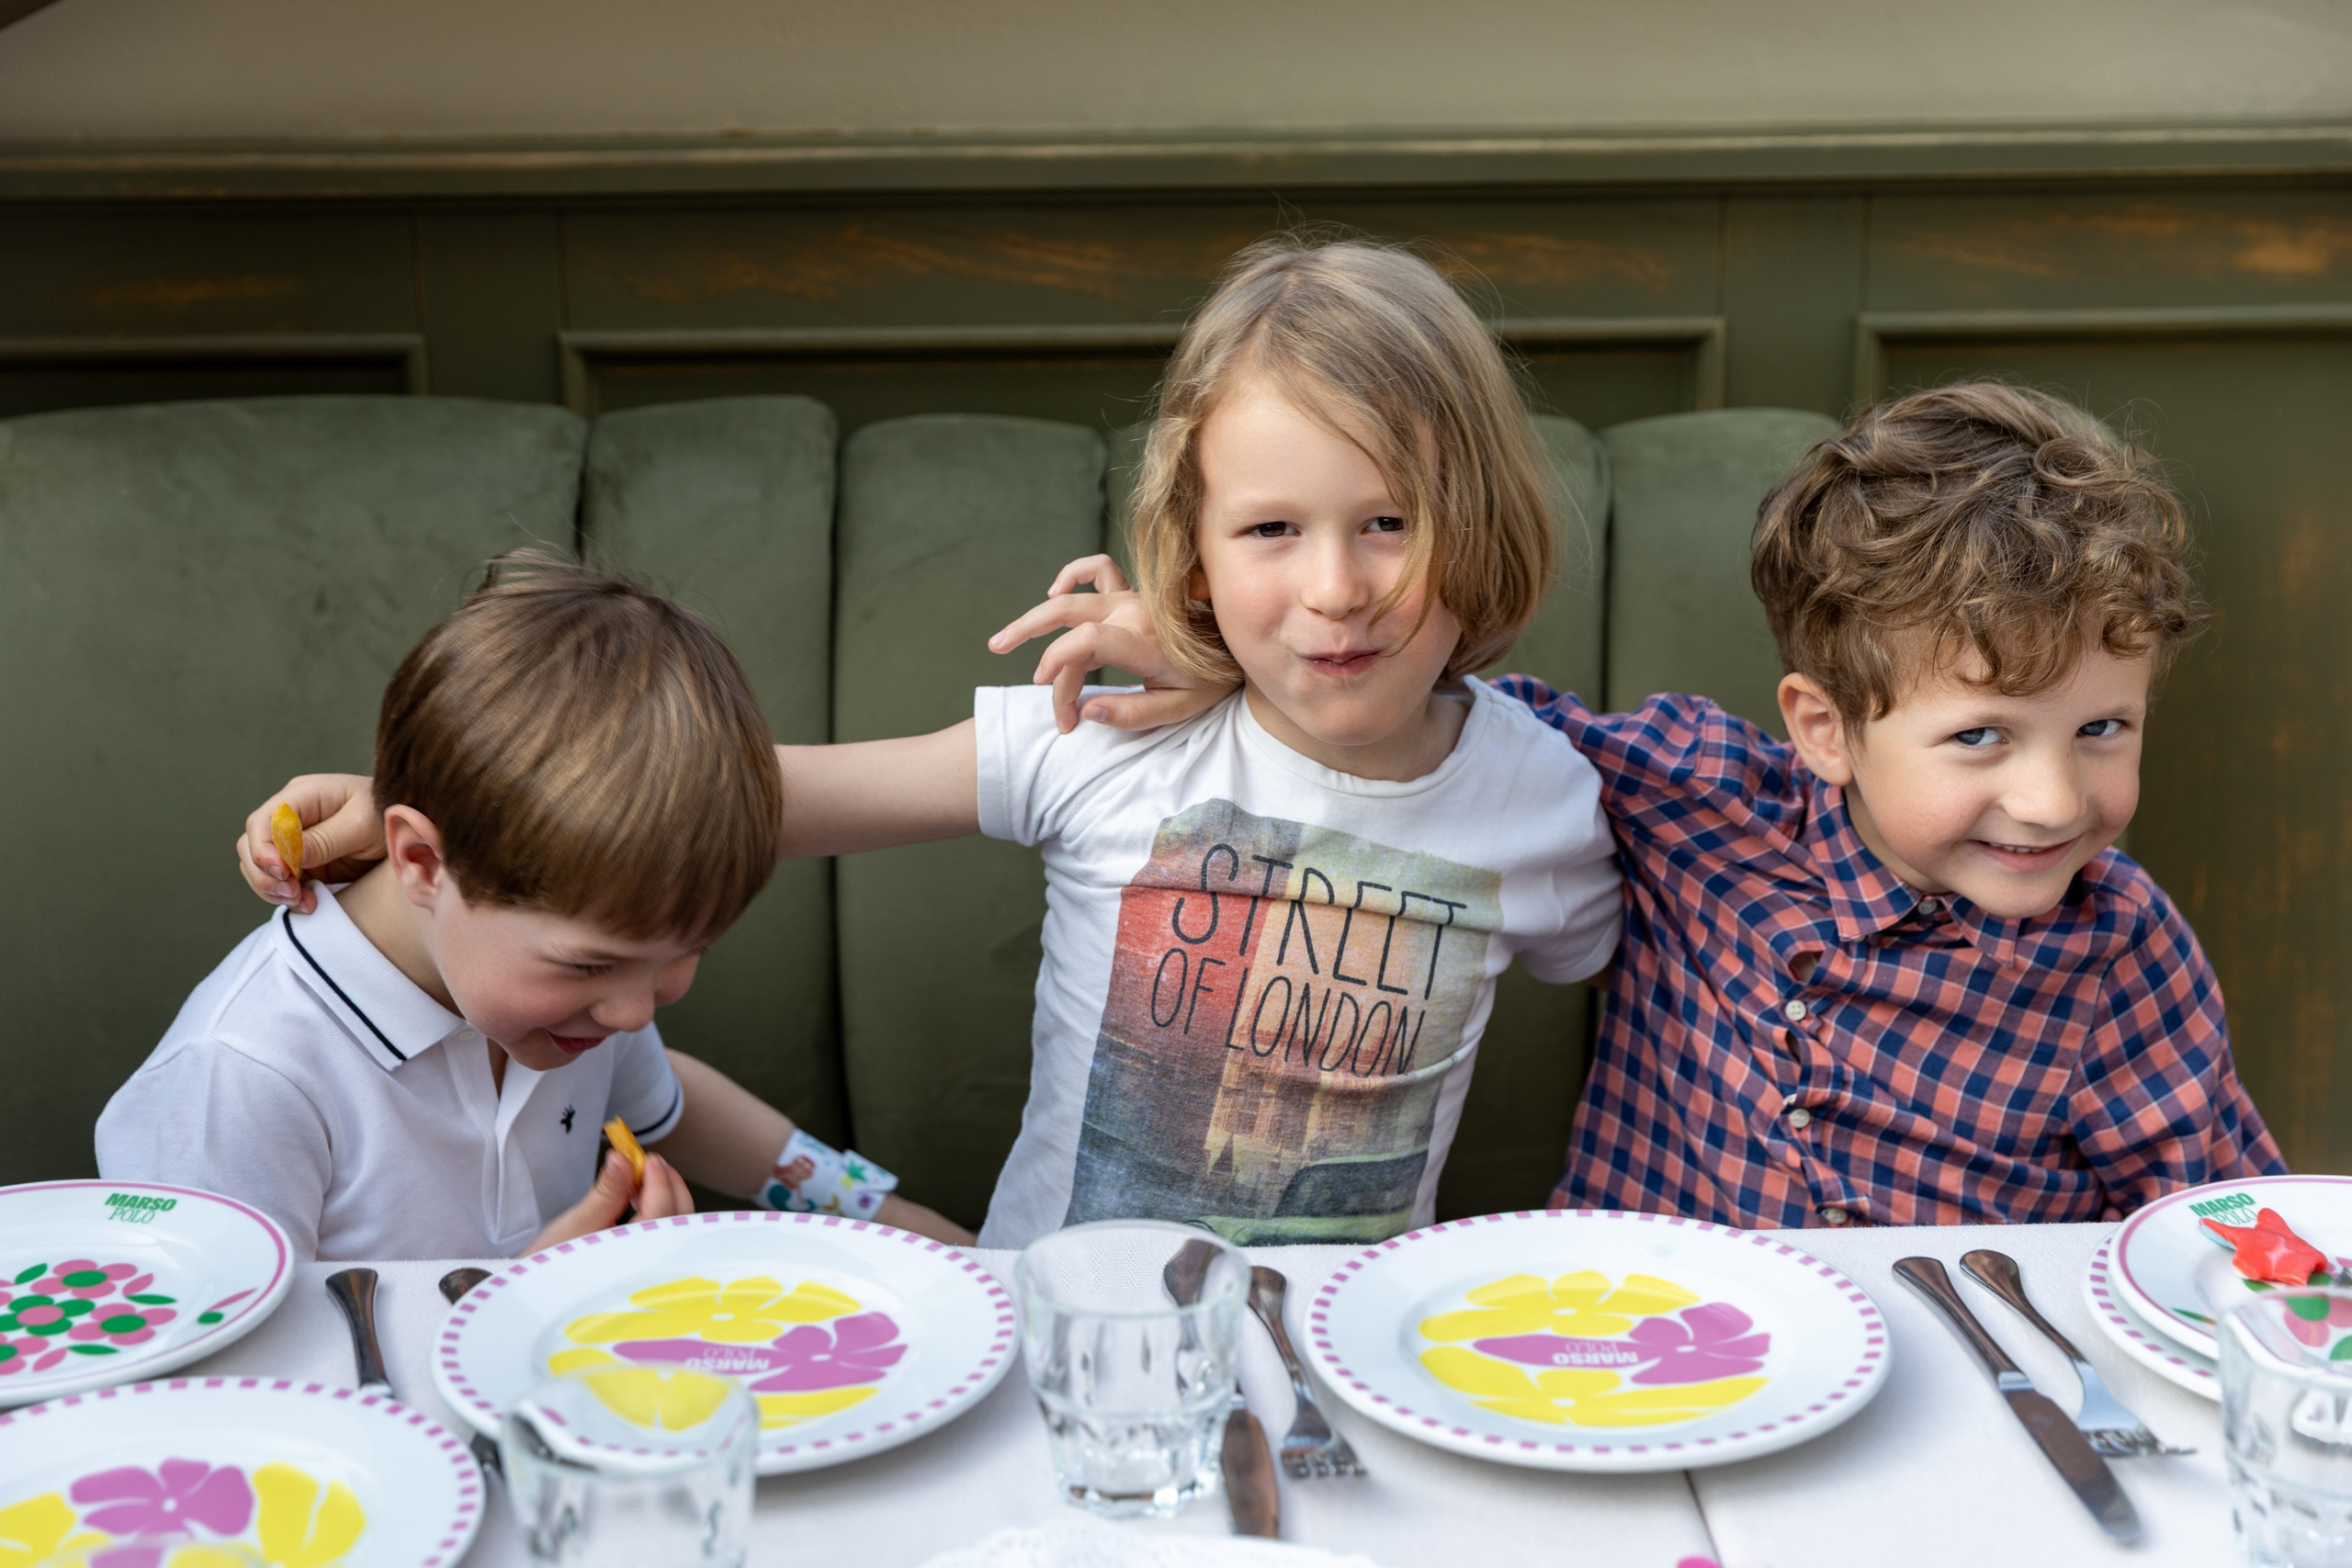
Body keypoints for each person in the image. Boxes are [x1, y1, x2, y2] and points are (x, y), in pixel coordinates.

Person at [241, 237, 1623, 1249]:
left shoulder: (1547, 807)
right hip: (1047, 1343)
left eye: (1389, 519)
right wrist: (456, 811)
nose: (1335, 584)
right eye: (1271, 528)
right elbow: (723, 798)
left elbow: (1667, 943)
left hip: (1347, 1359)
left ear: (1482, 521)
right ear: (1193, 550)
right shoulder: (1103, 735)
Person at [1005, 381, 2288, 1226]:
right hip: (1619, 1360)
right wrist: (1225, 656)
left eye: (2103, 728)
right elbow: (1427, 716)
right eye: (1982, 736)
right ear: (1824, 728)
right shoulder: (1691, 801)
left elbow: (2230, 1231)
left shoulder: (2119, 952)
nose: (2054, 795)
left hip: (1955, 1414)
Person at [112, 555, 969, 1260]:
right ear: (419, 859)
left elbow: (674, 1109)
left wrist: (933, 1241)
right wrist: (526, 1306)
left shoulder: (577, 1006)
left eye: (687, 948)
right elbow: (217, 1405)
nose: (637, 1008)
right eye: (590, 962)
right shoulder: (241, 1078)